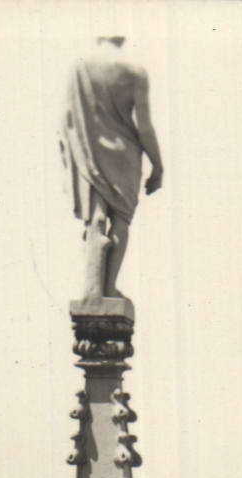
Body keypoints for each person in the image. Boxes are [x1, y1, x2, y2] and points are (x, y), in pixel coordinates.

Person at [60, 35, 164, 302]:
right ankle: (108, 288)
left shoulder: (79, 67)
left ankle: (92, 286)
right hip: (124, 153)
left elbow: (68, 119)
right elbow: (144, 127)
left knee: (96, 217)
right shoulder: (134, 72)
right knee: (121, 218)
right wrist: (158, 165)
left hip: (89, 150)